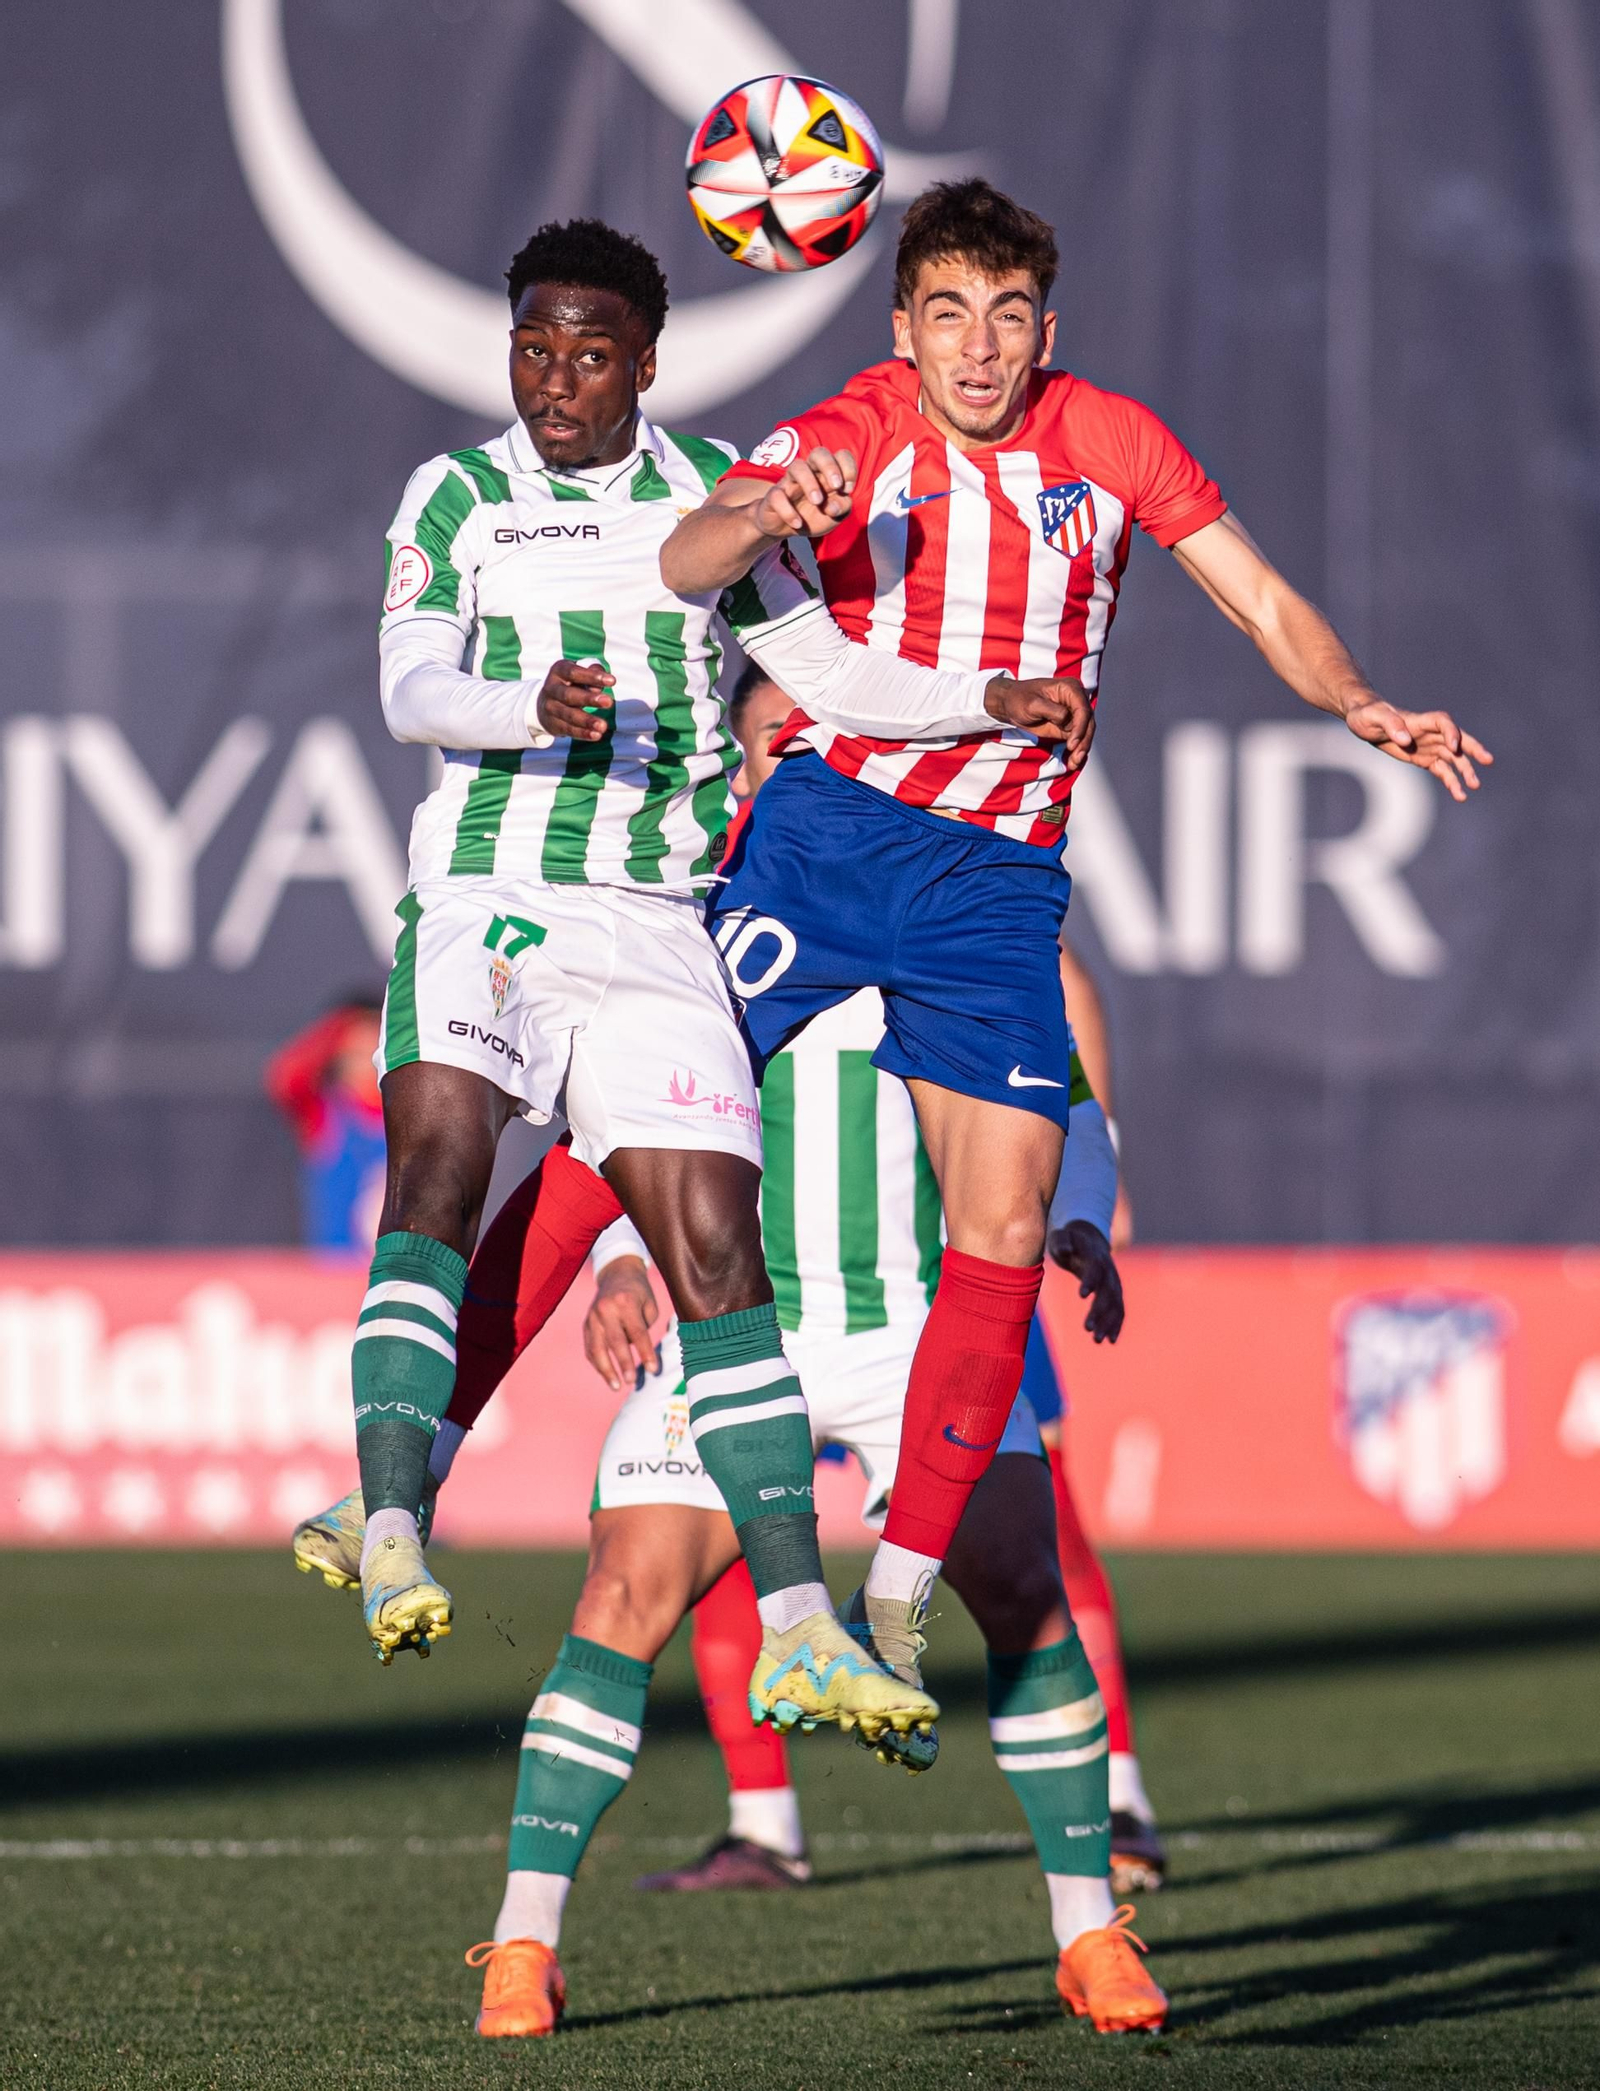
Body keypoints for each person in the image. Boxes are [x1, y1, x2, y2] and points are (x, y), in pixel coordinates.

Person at [658, 177, 1492, 1704]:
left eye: (1010, 317)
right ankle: (410, 1458)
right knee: (647, 1103)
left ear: (1050, 328)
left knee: (1007, 1221)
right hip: (830, 837)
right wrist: (765, 511)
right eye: (950, 317)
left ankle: (896, 1593)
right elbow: (694, 556)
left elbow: (1257, 597)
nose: (980, 350)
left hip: (993, 882)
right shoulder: (854, 425)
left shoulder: (1111, 438)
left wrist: (1359, 698)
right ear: (903, 328)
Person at [342, 211, 1084, 1750]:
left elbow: (822, 668)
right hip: (487, 887)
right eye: (533, 345)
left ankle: (803, 1628)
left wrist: (982, 698)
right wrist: (514, 697)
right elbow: (411, 683)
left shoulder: (713, 494)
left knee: (710, 1241)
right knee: (441, 1156)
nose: (555, 376)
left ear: (646, 364)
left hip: (657, 911)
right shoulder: (457, 494)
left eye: (588, 350)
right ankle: (395, 1512)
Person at [445, 671, 1163, 2038]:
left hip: (917, 1328)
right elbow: (613, 1116)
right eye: (771, 731)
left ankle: (1092, 1933)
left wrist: (1075, 1216)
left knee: (1023, 1583)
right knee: (625, 1591)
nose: (790, 748)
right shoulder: (691, 920)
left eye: (812, 727)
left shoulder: (961, 886)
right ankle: (523, 1946)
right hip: (740, 1327)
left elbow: (1071, 1095)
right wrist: (610, 1260)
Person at [264, 996, 386, 1249]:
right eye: (354, 1053)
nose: (362, 1061)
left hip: (395, 1276)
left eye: (369, 1051)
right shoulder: (326, 1113)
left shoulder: (410, 1114)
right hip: (334, 1275)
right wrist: (343, 1021)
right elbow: (285, 1075)